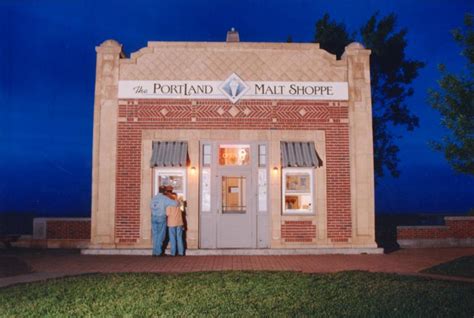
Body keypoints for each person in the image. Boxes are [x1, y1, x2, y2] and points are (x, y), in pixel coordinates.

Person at [150, 185, 177, 256]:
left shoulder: (154, 198)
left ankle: (154, 252)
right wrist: (171, 196)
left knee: (155, 235)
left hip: (153, 217)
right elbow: (176, 203)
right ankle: (158, 252)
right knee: (161, 236)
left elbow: (151, 206)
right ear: (165, 191)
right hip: (161, 218)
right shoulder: (164, 198)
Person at [165, 190, 185, 256]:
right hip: (179, 222)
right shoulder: (179, 203)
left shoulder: (169, 204)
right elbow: (182, 211)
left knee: (172, 238)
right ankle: (181, 252)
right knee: (179, 237)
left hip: (171, 223)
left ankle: (173, 253)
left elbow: (167, 214)